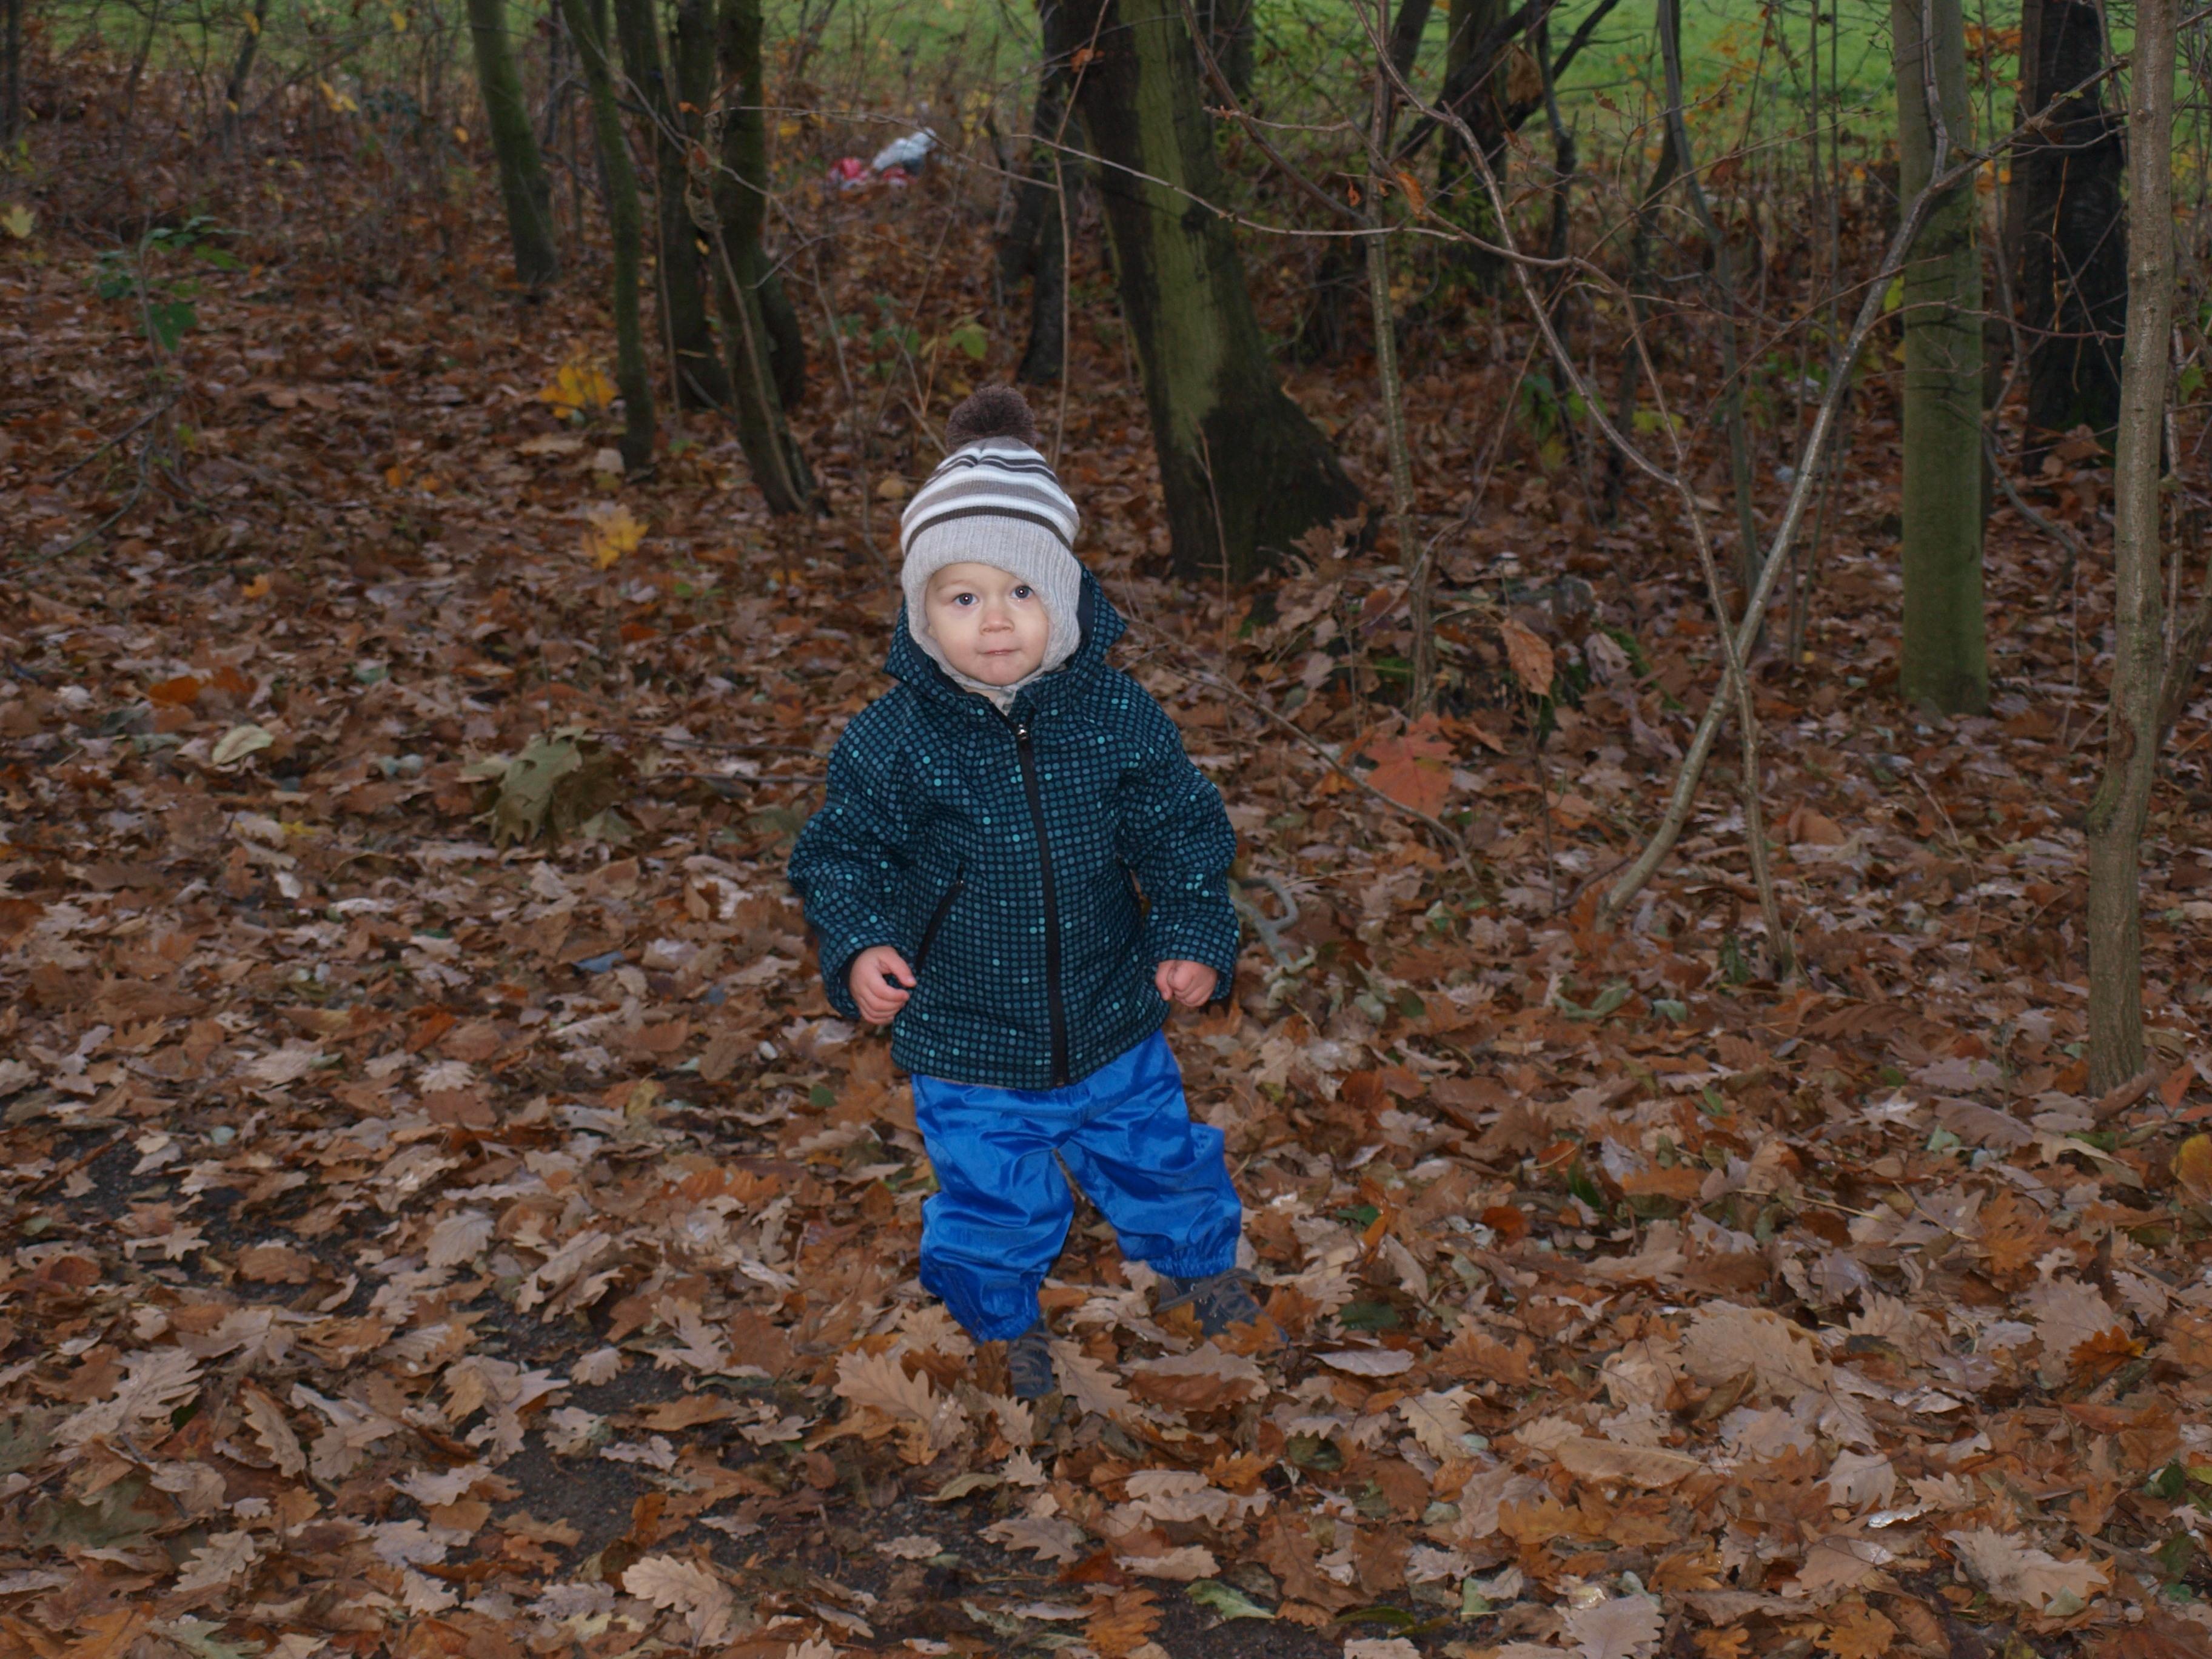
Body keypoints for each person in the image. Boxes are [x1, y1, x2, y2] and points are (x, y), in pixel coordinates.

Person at [788, 384, 1264, 1399]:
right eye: (961, 599)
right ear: (921, 615)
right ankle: (1001, 1324)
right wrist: (860, 941)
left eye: (1020, 592)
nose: (995, 621)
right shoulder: (894, 740)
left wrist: (1191, 930)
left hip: (1111, 1009)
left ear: (1065, 598)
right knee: (994, 1197)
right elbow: (840, 854)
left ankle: (1197, 1266)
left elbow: (1180, 827)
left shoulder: (1114, 715)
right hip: (966, 1035)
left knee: (1159, 1155)